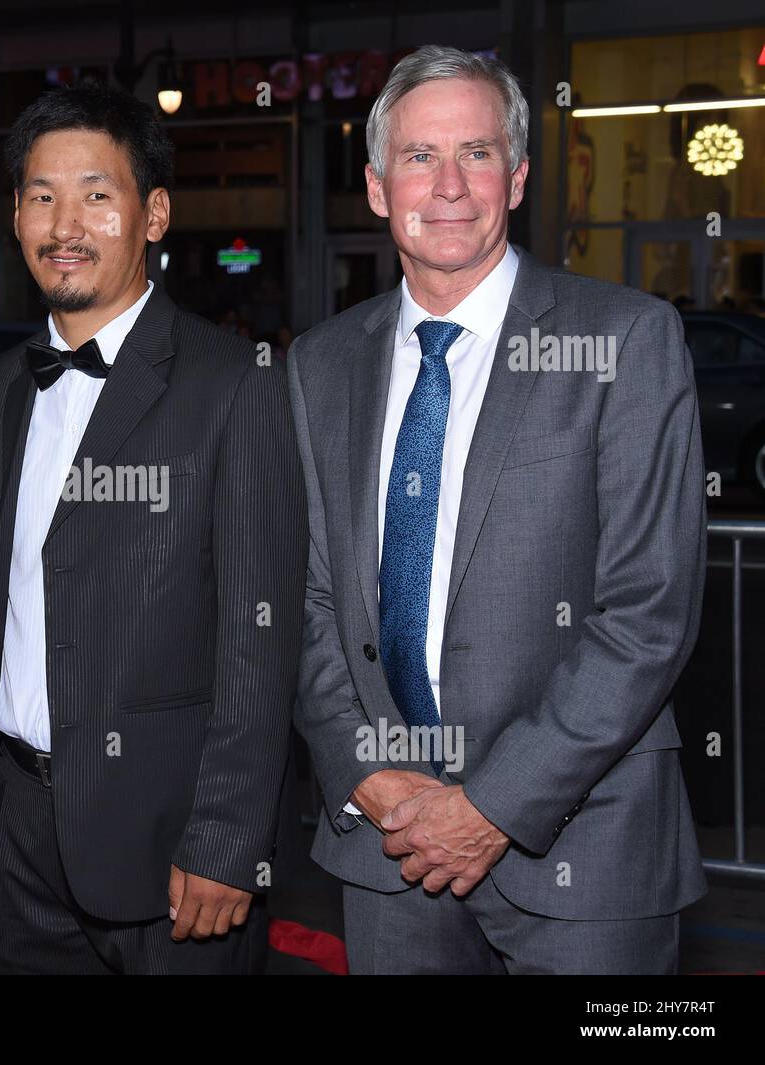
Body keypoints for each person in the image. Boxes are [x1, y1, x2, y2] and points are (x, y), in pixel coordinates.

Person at [287, 45, 706, 974]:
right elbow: (305, 599)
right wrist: (366, 771)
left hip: (586, 852)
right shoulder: (318, 365)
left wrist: (489, 807)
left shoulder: (624, 339)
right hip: (385, 845)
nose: (448, 186)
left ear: (516, 179)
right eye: (419, 156)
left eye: (475, 154)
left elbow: (649, 612)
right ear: (374, 185)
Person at [0, 82, 306, 974]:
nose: (65, 223)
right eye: (41, 195)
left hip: (174, 837)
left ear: (154, 215)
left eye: (97, 196)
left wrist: (227, 837)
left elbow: (262, 639)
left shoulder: (237, 385)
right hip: (19, 825)